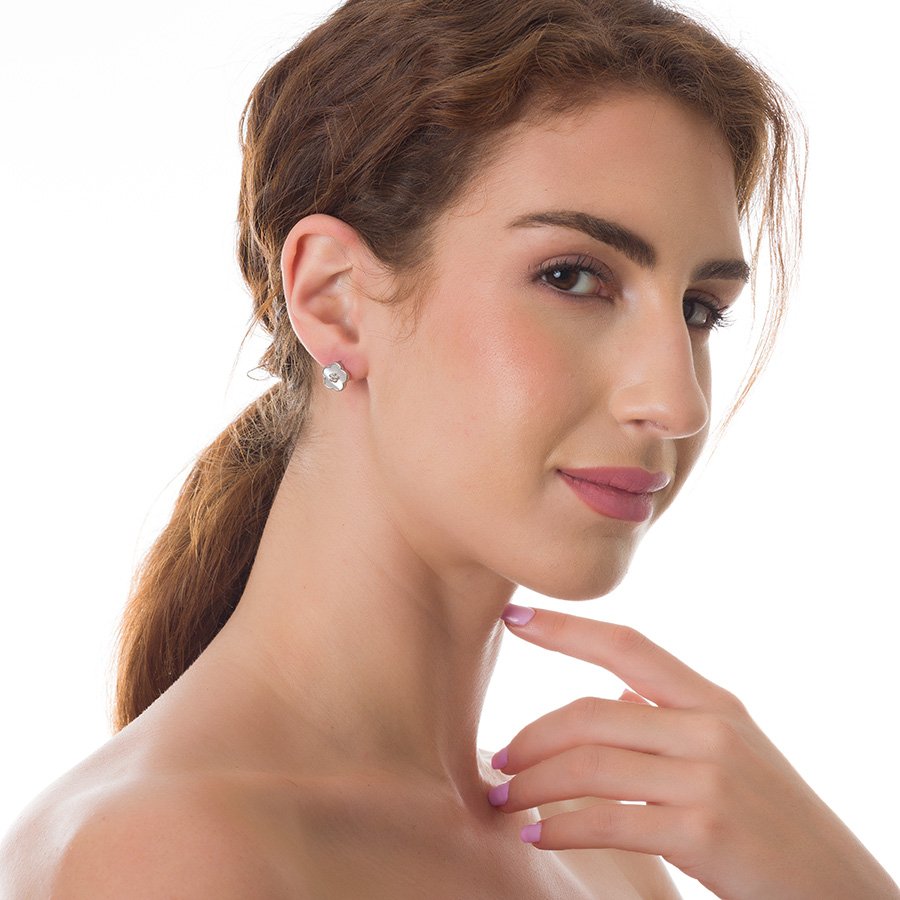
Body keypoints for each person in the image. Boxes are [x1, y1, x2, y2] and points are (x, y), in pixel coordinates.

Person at [1, 0, 897, 896]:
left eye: (700, 309)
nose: (676, 403)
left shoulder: (603, 853)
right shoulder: (163, 856)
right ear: (334, 298)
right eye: (573, 277)